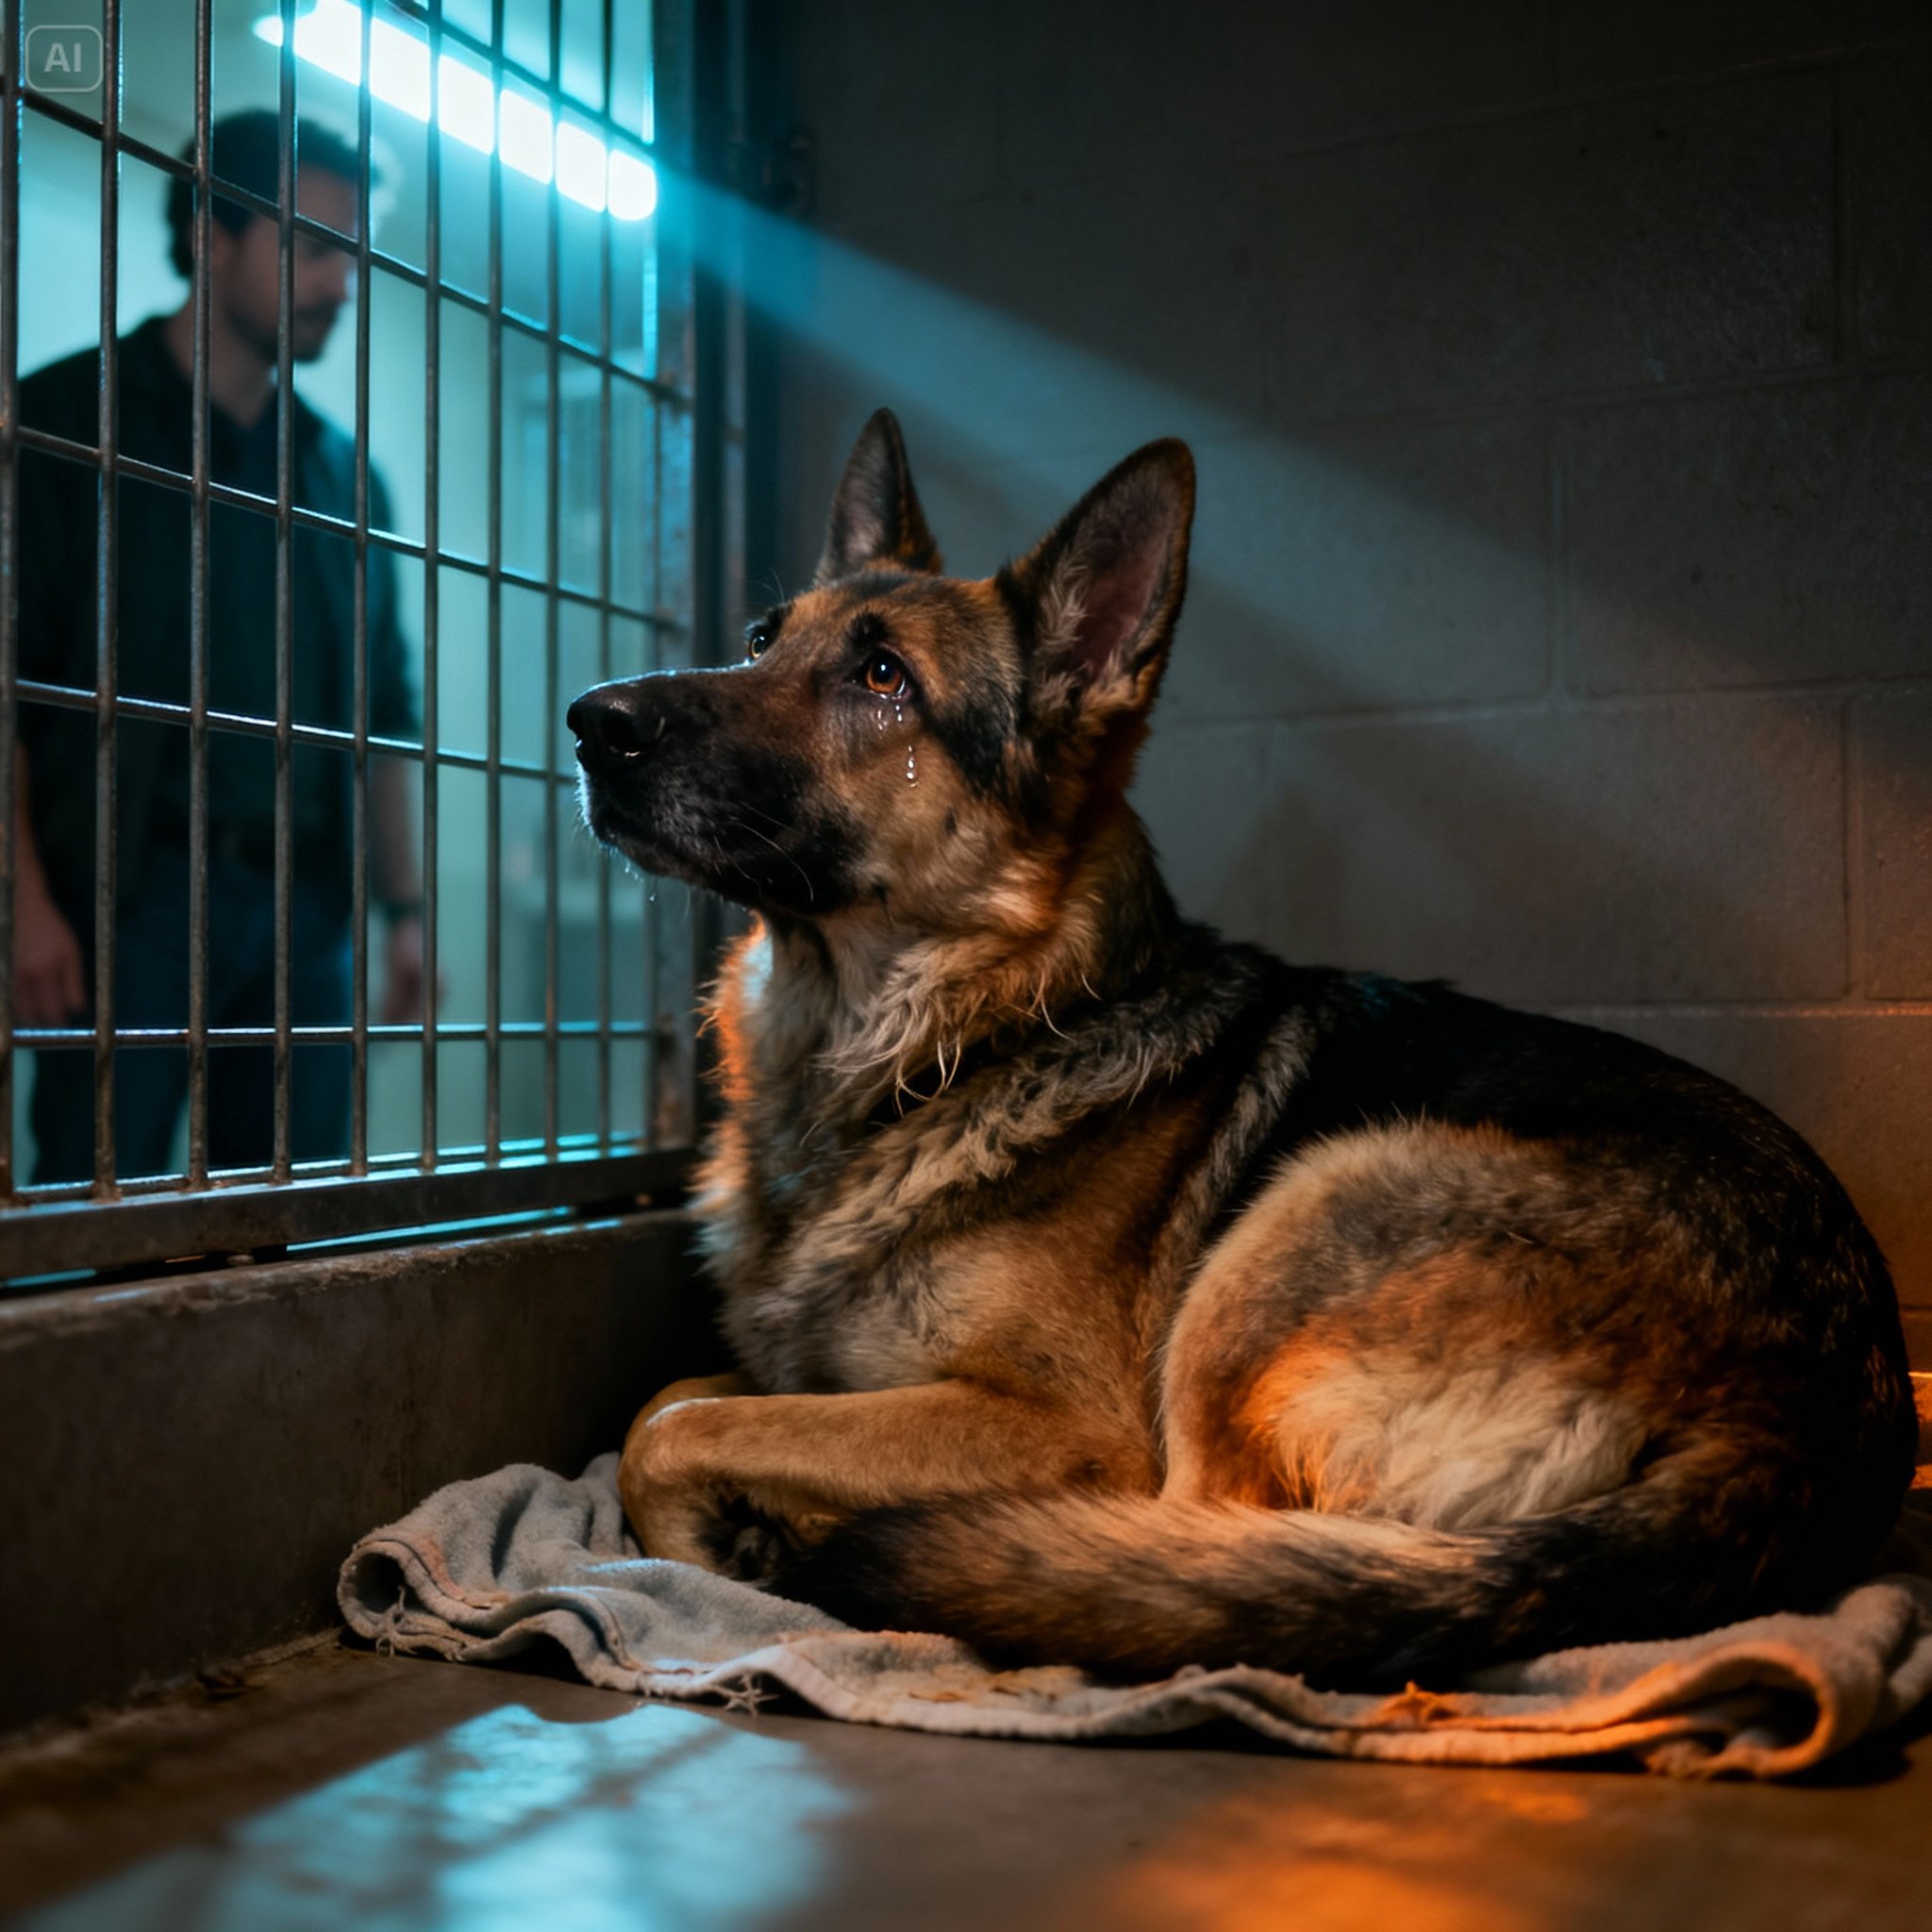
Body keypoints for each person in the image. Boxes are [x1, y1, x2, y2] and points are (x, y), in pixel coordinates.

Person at [11, 111, 425, 1181]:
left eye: (356, 255)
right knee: (96, 1215)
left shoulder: (342, 479)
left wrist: (406, 912)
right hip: (129, 893)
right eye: (317, 248)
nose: (345, 283)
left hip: (305, 907)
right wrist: (25, 903)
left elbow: (385, 710)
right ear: (211, 237)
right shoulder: (63, 423)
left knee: (285, 1230)